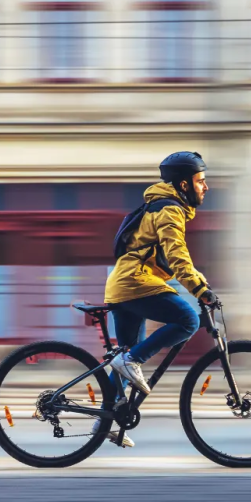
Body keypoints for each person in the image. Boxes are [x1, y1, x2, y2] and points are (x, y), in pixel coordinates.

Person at [99, 151, 219, 448]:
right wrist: (199, 290)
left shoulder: (160, 206)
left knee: (124, 360)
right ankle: (130, 361)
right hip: (136, 283)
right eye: (200, 181)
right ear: (183, 185)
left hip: (122, 284)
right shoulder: (169, 209)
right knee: (187, 320)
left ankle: (105, 422)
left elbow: (168, 258)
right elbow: (177, 255)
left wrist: (199, 281)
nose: (205, 187)